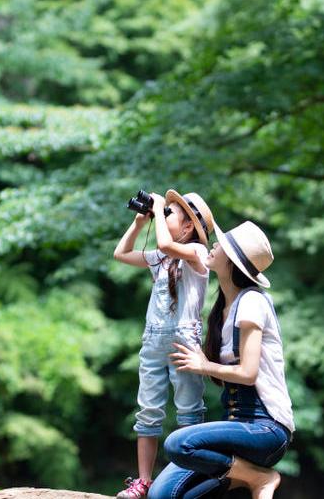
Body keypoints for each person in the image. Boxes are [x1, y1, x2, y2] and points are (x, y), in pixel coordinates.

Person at [148, 221, 294, 499]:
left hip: (265, 428)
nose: (214, 245)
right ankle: (240, 478)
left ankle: (260, 478)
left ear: (234, 262)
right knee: (160, 496)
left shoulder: (252, 301)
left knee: (178, 444)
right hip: (235, 429)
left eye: (222, 245)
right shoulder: (221, 308)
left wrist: (204, 365)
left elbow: (248, 373)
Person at [112, 190, 216, 499]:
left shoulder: (197, 252)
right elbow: (121, 253)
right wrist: (138, 223)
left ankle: (187, 477)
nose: (164, 215)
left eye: (170, 213)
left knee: (188, 412)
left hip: (184, 342)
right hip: (153, 341)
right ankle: (143, 481)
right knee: (148, 412)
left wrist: (158, 211)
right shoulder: (162, 257)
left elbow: (164, 243)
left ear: (187, 228)